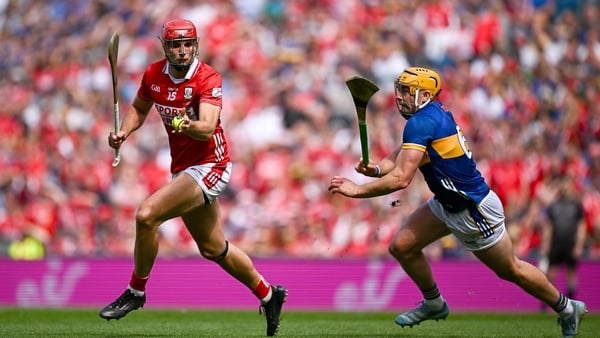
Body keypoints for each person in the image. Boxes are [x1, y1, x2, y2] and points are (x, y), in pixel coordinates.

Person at [328, 67, 587, 337]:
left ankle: (568, 308)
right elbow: (400, 154)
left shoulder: (422, 122)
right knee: (402, 246)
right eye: (399, 89)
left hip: (473, 210)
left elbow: (402, 179)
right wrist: (378, 170)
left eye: (406, 91)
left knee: (511, 269)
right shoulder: (430, 115)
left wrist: (357, 190)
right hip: (447, 203)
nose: (400, 96)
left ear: (425, 94)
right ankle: (434, 303)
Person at [101, 19, 287, 336]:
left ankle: (136, 291)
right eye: (175, 44)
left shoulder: (207, 77)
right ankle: (269, 295)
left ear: (195, 45)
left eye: (188, 44)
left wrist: (181, 124)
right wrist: (123, 132)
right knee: (213, 248)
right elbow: (140, 109)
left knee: (147, 216)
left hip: (211, 164)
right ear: (165, 47)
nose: (183, 50)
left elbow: (207, 128)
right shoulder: (153, 75)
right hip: (183, 167)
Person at [540, 176, 587, 301]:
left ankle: (572, 301)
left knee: (571, 273)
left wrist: (579, 245)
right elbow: (548, 226)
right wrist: (545, 243)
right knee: (550, 274)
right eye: (563, 185)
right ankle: (548, 301)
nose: (565, 188)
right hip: (556, 244)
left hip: (570, 244)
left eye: (567, 185)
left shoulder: (576, 205)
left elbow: (581, 226)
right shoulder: (553, 205)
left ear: (571, 187)